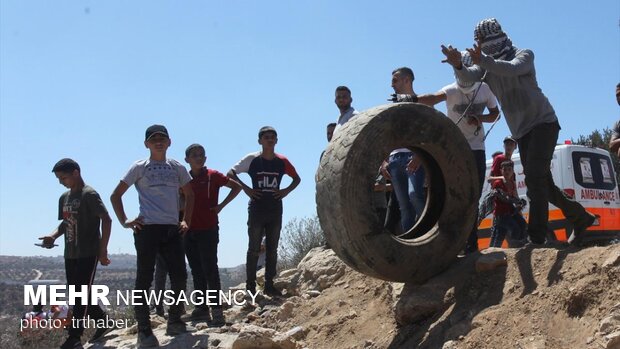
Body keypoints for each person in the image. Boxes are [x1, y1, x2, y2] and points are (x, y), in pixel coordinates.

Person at [441, 18, 596, 246]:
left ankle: (536, 238)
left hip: (544, 123)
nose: (481, 45)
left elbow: (511, 69)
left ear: (496, 37)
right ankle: (581, 218)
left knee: (534, 179)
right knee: (544, 185)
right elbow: (467, 77)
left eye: (483, 40)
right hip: (522, 132)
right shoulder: (486, 65)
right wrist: (458, 65)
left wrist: (483, 59)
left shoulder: (524, 55)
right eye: (478, 41)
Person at [110, 125, 194, 347]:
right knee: (144, 279)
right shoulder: (139, 167)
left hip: (172, 228)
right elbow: (115, 195)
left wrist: (186, 219)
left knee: (179, 276)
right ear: (147, 144)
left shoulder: (177, 167)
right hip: (147, 229)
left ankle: (174, 319)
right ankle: (144, 329)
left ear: (169, 142)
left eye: (162, 138)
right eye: (153, 139)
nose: (158, 142)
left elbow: (190, 194)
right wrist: (124, 220)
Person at [418, 56, 500, 252]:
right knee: (456, 195)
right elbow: (433, 98)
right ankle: (454, 243)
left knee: (474, 195)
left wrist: (480, 118)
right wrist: (411, 98)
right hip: (456, 150)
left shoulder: (484, 89)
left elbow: (495, 113)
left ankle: (470, 245)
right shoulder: (451, 90)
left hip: (477, 149)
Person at [39, 158, 113, 349]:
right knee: (78, 293)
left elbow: (106, 219)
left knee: (79, 295)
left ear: (76, 173)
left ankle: (74, 337)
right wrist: (52, 236)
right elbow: (65, 223)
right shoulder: (64, 198)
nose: (61, 181)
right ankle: (104, 322)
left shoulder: (89, 194)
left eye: (63, 177)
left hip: (88, 252)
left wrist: (102, 249)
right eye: (58, 178)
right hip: (70, 253)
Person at [228, 126, 301, 297]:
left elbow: (297, 178)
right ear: (260, 141)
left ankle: (269, 284)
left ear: (276, 141)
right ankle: (251, 287)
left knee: (272, 249)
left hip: (275, 208)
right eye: (266, 137)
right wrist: (246, 189)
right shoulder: (252, 159)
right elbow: (230, 173)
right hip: (257, 208)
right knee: (253, 248)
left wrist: (285, 191)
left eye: (272, 137)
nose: (269, 140)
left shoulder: (282, 160)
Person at [183, 143, 241, 326]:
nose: (198, 158)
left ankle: (217, 310)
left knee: (210, 269)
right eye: (194, 155)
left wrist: (221, 206)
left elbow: (236, 187)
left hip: (208, 228)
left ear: (205, 158)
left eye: (201, 155)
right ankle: (201, 308)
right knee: (196, 269)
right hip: (188, 230)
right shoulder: (183, 179)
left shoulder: (213, 176)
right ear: (187, 160)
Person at [381, 67, 426, 233]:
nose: (391, 84)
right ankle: (412, 241)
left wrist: (420, 155)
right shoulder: (392, 108)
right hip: (394, 160)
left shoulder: (421, 104)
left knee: (415, 195)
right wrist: (384, 161)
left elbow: (429, 133)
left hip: (412, 157)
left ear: (407, 80)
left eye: (395, 80)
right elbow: (385, 136)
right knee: (404, 206)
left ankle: (429, 234)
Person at [489, 160, 527, 247]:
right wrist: (515, 201)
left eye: (509, 170)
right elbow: (503, 198)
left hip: (509, 213)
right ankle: (514, 247)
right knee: (513, 229)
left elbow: (514, 198)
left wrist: (520, 203)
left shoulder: (512, 183)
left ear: (512, 171)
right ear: (501, 171)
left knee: (522, 224)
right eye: (505, 170)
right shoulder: (498, 183)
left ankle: (520, 244)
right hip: (501, 214)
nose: (507, 172)